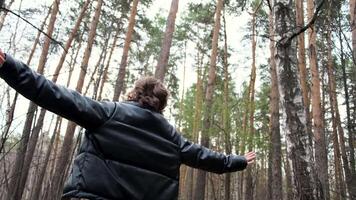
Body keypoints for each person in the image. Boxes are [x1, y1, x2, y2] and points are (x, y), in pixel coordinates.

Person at [0, 50, 256, 200]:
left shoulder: (108, 113)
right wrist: (240, 160)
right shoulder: (174, 140)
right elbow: (209, 159)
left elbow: (52, 93)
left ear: (134, 93)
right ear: (161, 105)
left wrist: (8, 65)